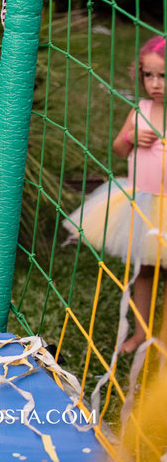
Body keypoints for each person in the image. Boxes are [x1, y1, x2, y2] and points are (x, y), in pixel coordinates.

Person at [65, 35, 167, 352]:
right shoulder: (141, 110)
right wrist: (131, 137)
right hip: (142, 202)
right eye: (148, 75)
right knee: (144, 271)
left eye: (163, 76)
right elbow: (119, 149)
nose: (155, 84)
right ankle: (141, 333)